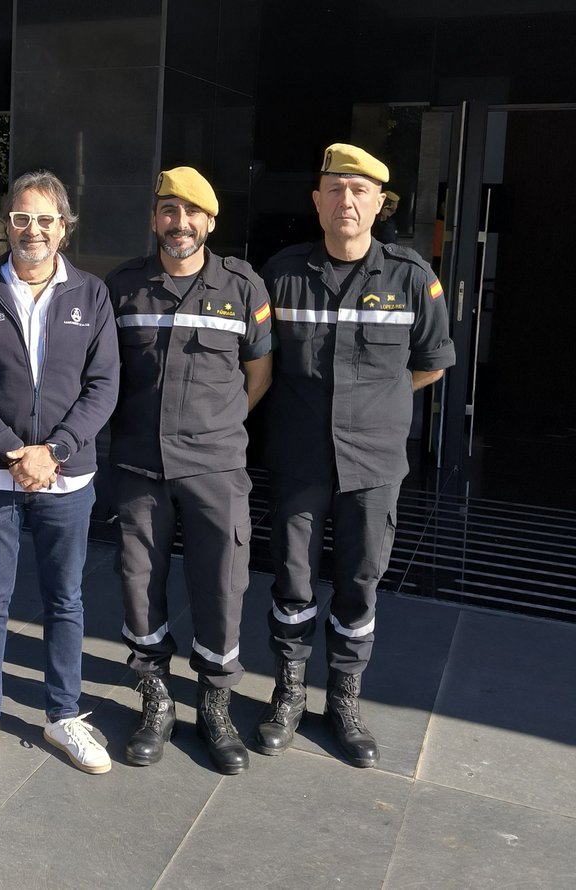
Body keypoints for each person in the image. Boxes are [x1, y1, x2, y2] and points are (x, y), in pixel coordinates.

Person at [256, 144, 455, 768]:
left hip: (373, 464)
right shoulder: (282, 273)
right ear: (317, 201)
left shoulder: (412, 276)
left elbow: (430, 364)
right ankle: (288, 692)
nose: (347, 200)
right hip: (299, 458)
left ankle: (344, 697)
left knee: (360, 582)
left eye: (359, 191)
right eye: (335, 189)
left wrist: (379, 405)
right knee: (292, 578)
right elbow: (258, 358)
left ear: (378, 203)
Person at [0, 170, 119, 775]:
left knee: (64, 600)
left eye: (45, 219)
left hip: (67, 478)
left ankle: (64, 715)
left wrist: (55, 451)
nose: (32, 229)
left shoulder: (92, 295)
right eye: (21, 218)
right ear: (7, 225)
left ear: (63, 227)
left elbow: (104, 387)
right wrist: (16, 452)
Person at [107, 167, 272, 775]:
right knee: (137, 580)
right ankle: (155, 698)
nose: (179, 224)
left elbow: (259, 375)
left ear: (210, 222)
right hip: (139, 464)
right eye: (168, 211)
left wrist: (215, 429)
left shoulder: (244, 287)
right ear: (154, 218)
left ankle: (214, 702)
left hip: (216, 467)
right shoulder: (122, 287)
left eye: (191, 213)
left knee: (223, 583)